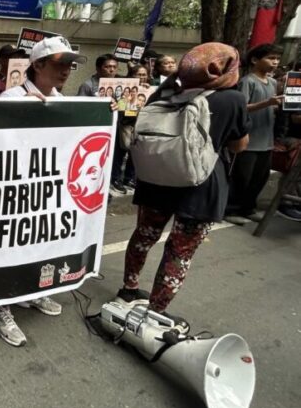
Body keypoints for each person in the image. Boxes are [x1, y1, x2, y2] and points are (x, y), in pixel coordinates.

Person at [118, 43, 249, 322]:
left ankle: (128, 288)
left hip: (155, 177)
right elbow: (238, 145)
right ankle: (155, 312)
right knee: (180, 251)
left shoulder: (164, 91)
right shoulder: (232, 99)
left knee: (144, 236)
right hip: (199, 185)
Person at [0, 36, 86, 346]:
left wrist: (103, 113)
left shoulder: (62, 100)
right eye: (60, 63)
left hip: (46, 191)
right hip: (14, 191)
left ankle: (33, 292)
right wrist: (20, 113)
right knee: (9, 248)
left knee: (40, 244)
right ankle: (0, 307)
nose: (66, 70)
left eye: (70, 64)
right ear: (39, 65)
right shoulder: (10, 97)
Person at [225, 43, 283, 224]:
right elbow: (242, 108)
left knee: (260, 177)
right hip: (249, 139)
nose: (275, 62)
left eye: (277, 59)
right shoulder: (247, 81)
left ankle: (248, 208)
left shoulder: (273, 82)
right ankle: (230, 209)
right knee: (242, 177)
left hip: (266, 139)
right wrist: (267, 103)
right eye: (271, 58)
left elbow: (272, 107)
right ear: (255, 60)